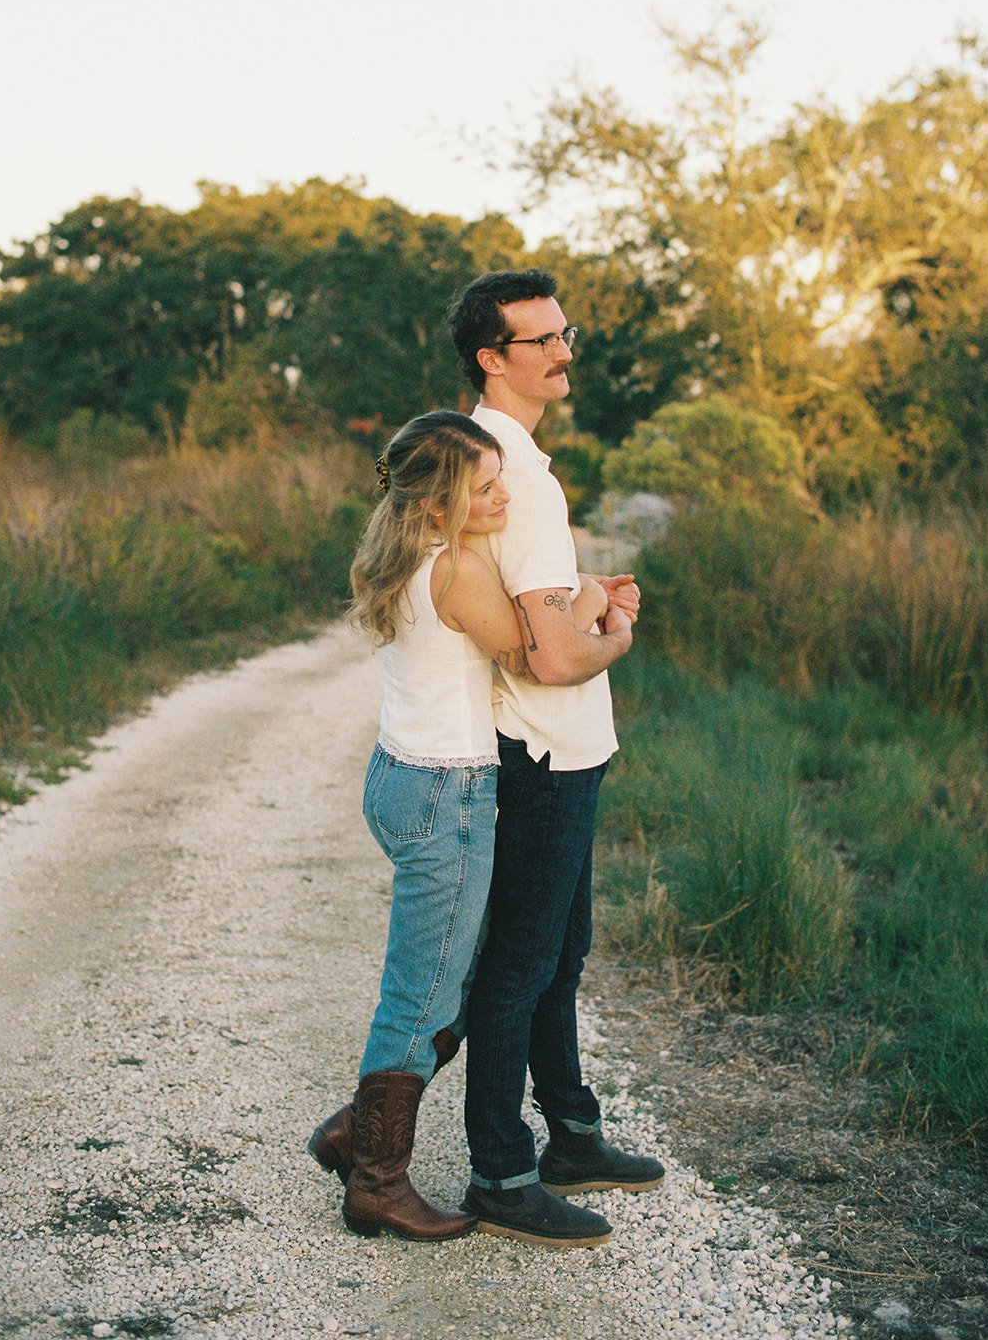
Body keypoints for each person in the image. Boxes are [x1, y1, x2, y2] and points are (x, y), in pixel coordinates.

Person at [305, 409, 611, 1241]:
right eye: (483, 485)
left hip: (400, 777)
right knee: (424, 996)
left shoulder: (404, 553)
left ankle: (353, 1132)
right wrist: (595, 605)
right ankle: (377, 1183)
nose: (502, 492)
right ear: (439, 504)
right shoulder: (456, 572)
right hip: (446, 795)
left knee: (459, 975)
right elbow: (537, 653)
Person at [447, 269, 666, 1249]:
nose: (563, 352)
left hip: (561, 749)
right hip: (543, 752)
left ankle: (571, 1132)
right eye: (540, 342)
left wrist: (575, 588)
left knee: (558, 955)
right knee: (523, 963)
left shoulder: (489, 453)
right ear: (493, 360)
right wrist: (616, 627)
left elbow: (528, 606)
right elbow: (552, 655)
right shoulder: (520, 476)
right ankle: (500, 1169)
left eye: (563, 333)